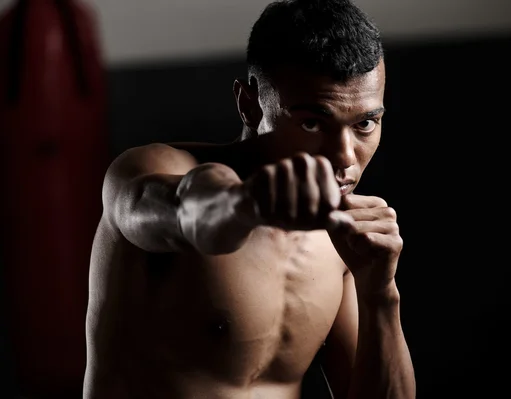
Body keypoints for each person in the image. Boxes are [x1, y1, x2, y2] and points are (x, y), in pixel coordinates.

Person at [83, 0, 415, 398]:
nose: (344, 157)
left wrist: (381, 294)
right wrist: (248, 204)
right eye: (311, 123)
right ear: (249, 104)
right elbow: (189, 213)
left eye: (364, 124)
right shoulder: (148, 169)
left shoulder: (344, 243)